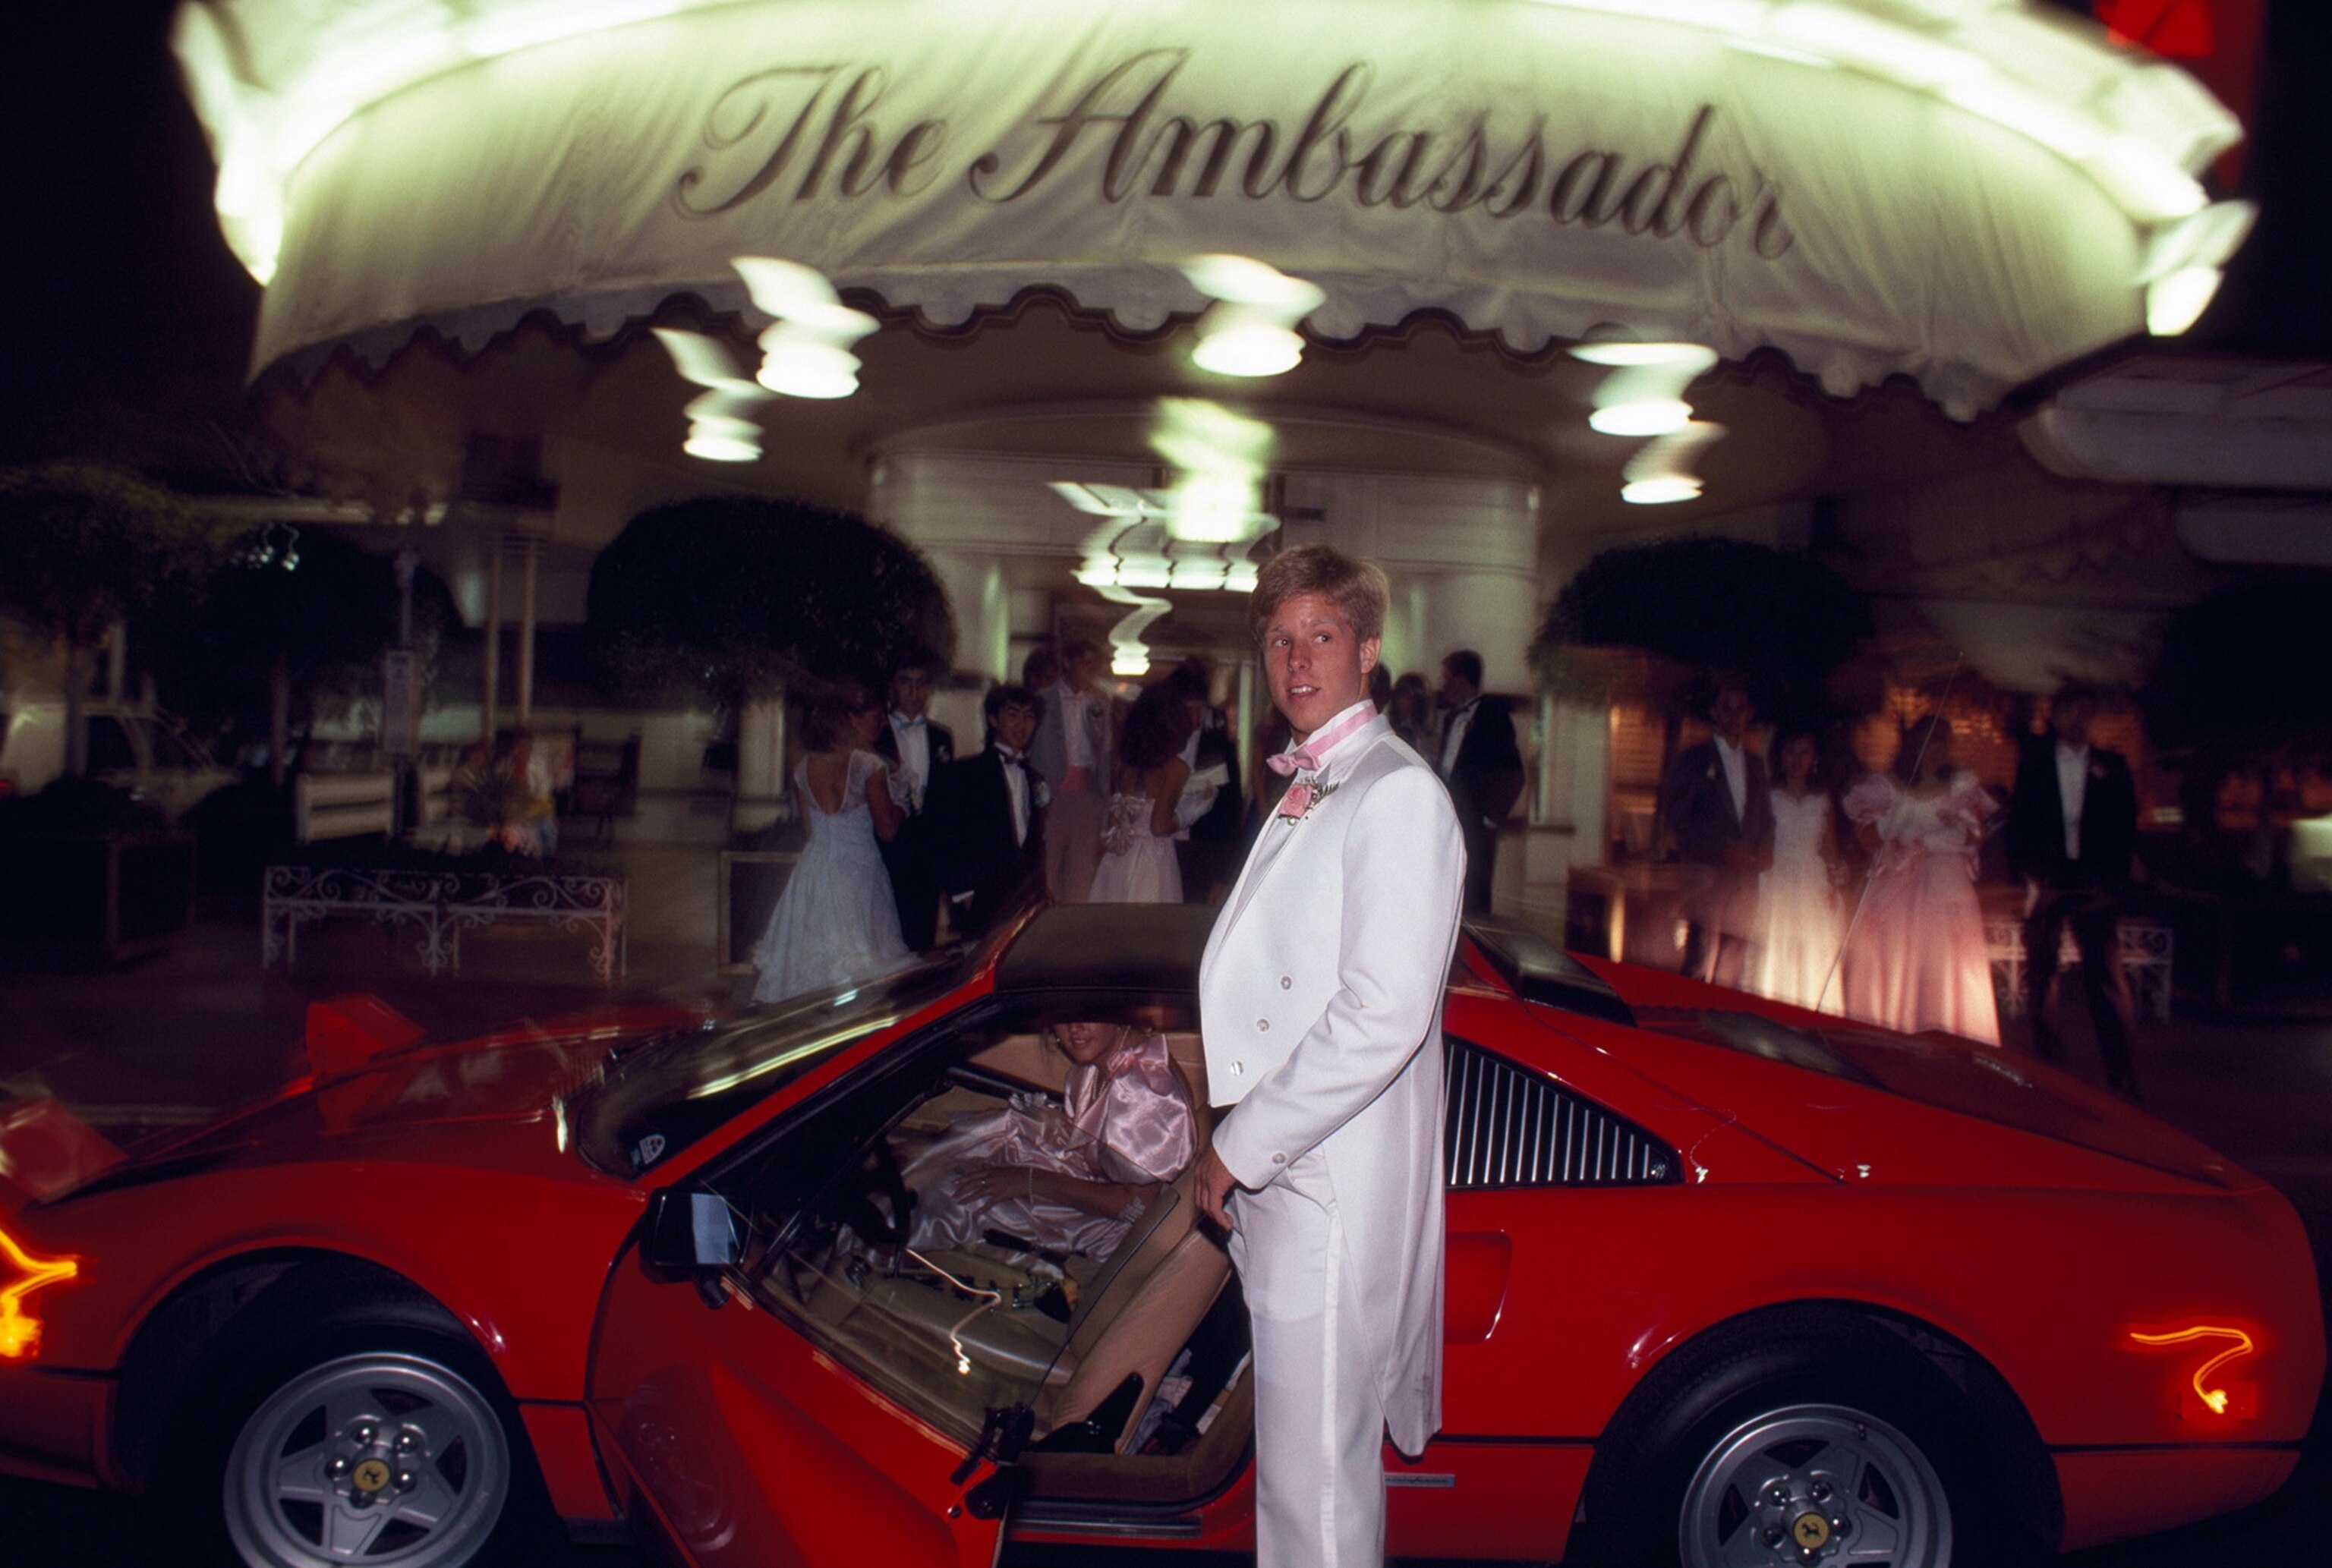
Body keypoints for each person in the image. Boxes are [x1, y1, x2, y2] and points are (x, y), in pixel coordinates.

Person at [1193, 544, 1466, 1568]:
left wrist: (1239, 1144)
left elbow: (1382, 1012)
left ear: (1366, 649)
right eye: (1278, 639)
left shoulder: (1395, 792)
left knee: (1316, 1496)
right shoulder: (1324, 779)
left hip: (1328, 1186)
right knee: (1301, 1482)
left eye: (1319, 635)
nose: (1297, 659)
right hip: (1298, 1178)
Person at [902, 1019, 1198, 1260]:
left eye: (1088, 1013)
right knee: (984, 1139)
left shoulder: (1142, 1090)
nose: (1074, 1028)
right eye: (1062, 1015)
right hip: (1093, 1182)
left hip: (1115, 1224)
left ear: (1116, 1011)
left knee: (957, 1196)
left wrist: (1029, 1180)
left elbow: (1136, 1210)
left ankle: (881, 1242)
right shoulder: (1111, 1056)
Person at [2007, 682, 2141, 1095]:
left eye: (2087, 713)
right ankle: (2051, 1073)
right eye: (2072, 713)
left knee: (2106, 979)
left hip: (2094, 881)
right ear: (2057, 715)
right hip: (2051, 878)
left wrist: (2112, 883)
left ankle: (2122, 1078)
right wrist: (2032, 876)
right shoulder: (2034, 762)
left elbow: (2126, 828)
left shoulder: (2113, 765)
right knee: (2043, 973)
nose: (2079, 722)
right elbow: (2021, 824)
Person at [1839, 716, 2001, 1046]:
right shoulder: (1886, 786)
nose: (1935, 751)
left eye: (1942, 744)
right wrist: (1894, 828)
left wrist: (1933, 840)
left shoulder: (1961, 785)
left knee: (1943, 963)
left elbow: (1973, 838)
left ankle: (1951, 1037)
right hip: (1899, 884)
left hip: (1944, 885)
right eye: (1929, 742)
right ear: (1914, 744)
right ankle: (1892, 1035)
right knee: (1896, 956)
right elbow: (1867, 837)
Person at [751, 689, 912, 1003]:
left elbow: (811, 831)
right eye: (876, 717)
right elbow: (888, 831)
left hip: (814, 873)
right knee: (864, 968)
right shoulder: (869, 765)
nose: (881, 723)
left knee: (810, 973)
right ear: (850, 721)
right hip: (858, 874)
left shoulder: (802, 767)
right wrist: (902, 804)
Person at [1658, 682, 1774, 986]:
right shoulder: (1693, 760)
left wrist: (1763, 847)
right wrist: (1721, 849)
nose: (1734, 716)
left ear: (1749, 714)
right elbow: (1678, 817)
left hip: (1745, 879)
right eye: (1726, 708)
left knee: (1733, 960)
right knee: (1700, 961)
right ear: (1714, 712)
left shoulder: (1757, 765)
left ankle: (1721, 1026)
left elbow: (1764, 817)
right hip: (1707, 876)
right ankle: (1689, 1026)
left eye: (1740, 709)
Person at [935, 684, 1048, 938]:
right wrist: (963, 892)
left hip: (1025, 897)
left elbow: (1035, 841)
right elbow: (949, 836)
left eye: (1029, 716)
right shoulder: (966, 773)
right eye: (1013, 714)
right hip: (983, 894)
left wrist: (1041, 890)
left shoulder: (1034, 778)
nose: (1022, 724)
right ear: (993, 719)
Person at [1751, 729, 1843, 1011]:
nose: (1797, 759)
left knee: (1813, 949)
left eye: (1804, 752)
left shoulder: (1822, 797)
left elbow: (1830, 847)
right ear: (1781, 756)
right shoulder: (1768, 794)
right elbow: (1760, 840)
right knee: (1777, 944)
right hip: (1778, 875)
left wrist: (1834, 883)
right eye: (1791, 752)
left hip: (1813, 878)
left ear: (1814, 757)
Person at [871, 651, 954, 949]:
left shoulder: (942, 737)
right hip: (887, 845)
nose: (913, 691)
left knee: (923, 936)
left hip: (928, 849)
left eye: (921, 683)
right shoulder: (876, 736)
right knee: (887, 930)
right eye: (905, 682)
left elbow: (944, 797)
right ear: (892, 687)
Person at [1434, 650, 1527, 914]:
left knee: (1474, 892)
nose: (1443, 685)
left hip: (1475, 821)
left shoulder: (1493, 717)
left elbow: (1512, 771)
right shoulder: (1452, 717)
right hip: (1449, 815)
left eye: (1447, 677)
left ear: (1461, 680)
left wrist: (1490, 818)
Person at [1089, 682, 1193, 905]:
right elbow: (1159, 826)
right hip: (1152, 859)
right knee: (1149, 930)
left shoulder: (1124, 763)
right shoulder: (1175, 768)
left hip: (1119, 856)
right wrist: (1189, 814)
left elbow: (1114, 817)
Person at [1032, 637, 1111, 905]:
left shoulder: (1100, 701)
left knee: (1080, 874)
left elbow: (1106, 754)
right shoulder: (1043, 699)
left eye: (1094, 665)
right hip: (1053, 796)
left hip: (1088, 795)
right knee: (1048, 869)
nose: (1090, 670)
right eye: (1085, 663)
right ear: (1067, 662)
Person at [1164, 660, 1243, 905]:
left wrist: (1225, 875)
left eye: (1200, 708)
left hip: (1204, 849)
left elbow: (1231, 808)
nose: (1195, 717)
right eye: (1188, 709)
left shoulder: (1217, 744)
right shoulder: (1161, 742)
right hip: (1164, 848)